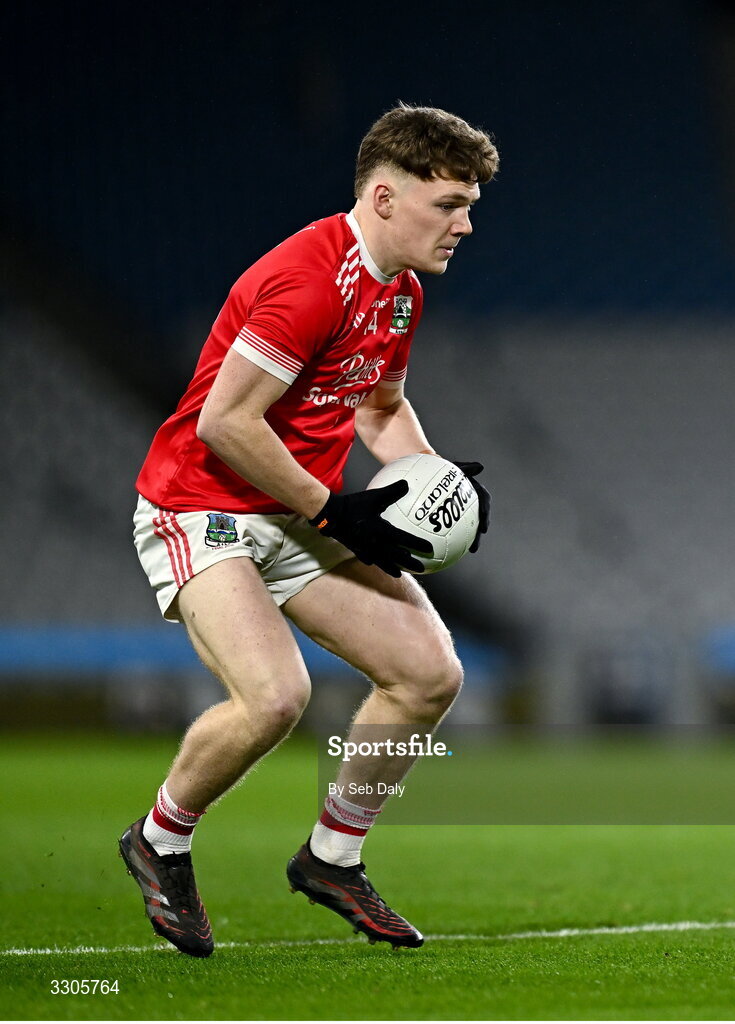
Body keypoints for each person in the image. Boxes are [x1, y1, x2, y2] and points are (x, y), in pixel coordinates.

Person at [119, 103, 498, 957]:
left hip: (295, 509)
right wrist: (336, 511)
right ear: (384, 197)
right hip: (201, 505)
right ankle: (160, 839)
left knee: (426, 674)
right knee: (275, 698)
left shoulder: (396, 294)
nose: (465, 225)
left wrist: (434, 488)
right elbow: (227, 423)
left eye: (469, 205)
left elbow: (382, 408)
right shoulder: (306, 280)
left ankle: (333, 857)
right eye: (448, 205)